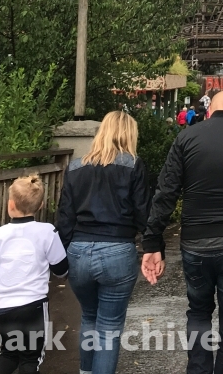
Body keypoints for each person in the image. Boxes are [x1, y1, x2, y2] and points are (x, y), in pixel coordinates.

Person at [141, 91, 223, 374]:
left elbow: (166, 192)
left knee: (198, 313)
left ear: (209, 110)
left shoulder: (186, 139)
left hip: (196, 243)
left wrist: (153, 240)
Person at [56, 111, 151, 374]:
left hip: (79, 251)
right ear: (129, 134)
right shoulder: (133, 165)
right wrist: (152, 247)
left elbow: (65, 217)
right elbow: (143, 212)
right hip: (118, 250)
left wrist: (60, 261)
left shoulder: (75, 167)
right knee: (109, 326)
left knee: (88, 316)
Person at [0, 175, 68, 374]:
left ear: (10, 205)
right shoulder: (47, 232)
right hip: (33, 307)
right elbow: (61, 270)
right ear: (41, 205)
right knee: (30, 359)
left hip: (4, 309)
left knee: (9, 355)